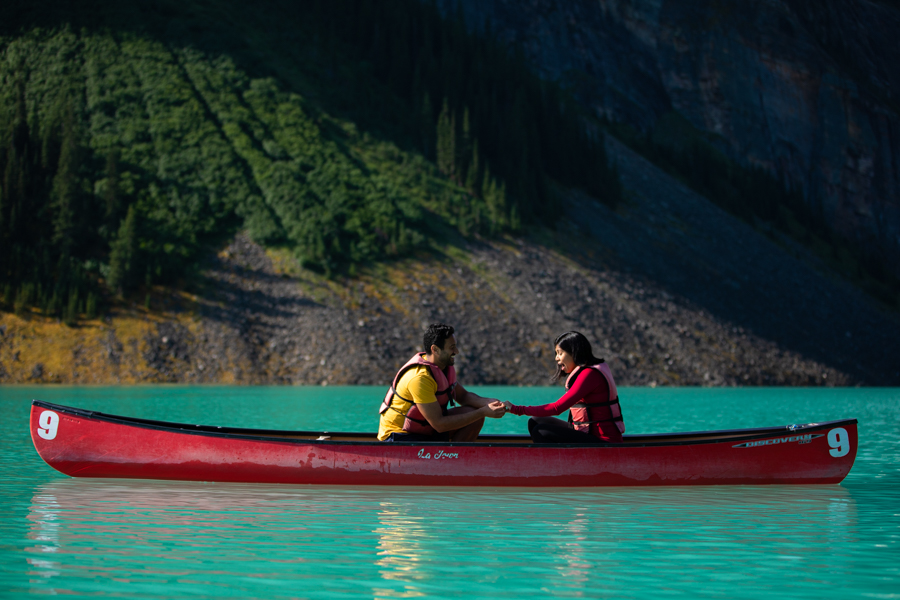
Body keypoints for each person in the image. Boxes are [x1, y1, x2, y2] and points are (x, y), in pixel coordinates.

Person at [378, 323, 507, 442]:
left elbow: (463, 396)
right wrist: (483, 411)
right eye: (452, 347)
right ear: (435, 349)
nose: (456, 352)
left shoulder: (442, 367)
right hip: (398, 436)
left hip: (425, 429)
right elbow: (439, 424)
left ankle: (456, 459)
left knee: (474, 417)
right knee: (477, 415)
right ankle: (450, 460)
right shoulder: (419, 378)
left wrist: (490, 403)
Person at [504, 331, 624, 444]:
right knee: (535, 421)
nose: (556, 358)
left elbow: (557, 408)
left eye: (560, 353)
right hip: (586, 433)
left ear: (573, 352)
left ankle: (556, 465)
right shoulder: (588, 371)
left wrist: (516, 409)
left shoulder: (590, 374)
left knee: (540, 431)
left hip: (604, 441)